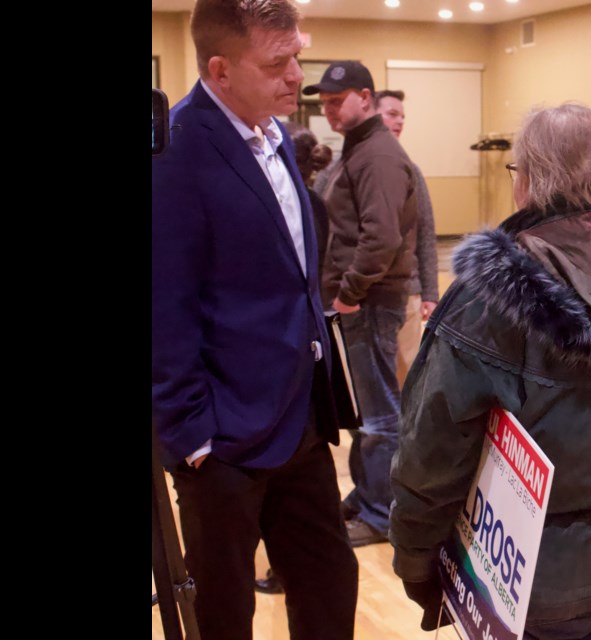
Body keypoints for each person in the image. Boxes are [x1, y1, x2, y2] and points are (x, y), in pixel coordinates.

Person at [390, 103, 591, 639]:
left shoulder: (493, 290)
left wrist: (414, 556)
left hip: (541, 579)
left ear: (526, 179)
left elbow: (433, 446)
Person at [151, 1, 358, 637]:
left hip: (299, 418)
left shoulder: (273, 136)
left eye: (297, 54)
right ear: (219, 69)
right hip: (223, 438)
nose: (298, 75)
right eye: (278, 63)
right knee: (225, 611)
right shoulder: (177, 153)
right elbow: (164, 301)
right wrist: (193, 435)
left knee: (329, 579)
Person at [304, 60, 420, 547]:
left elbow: (381, 238)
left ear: (366, 98)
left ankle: (380, 515)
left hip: (370, 302)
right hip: (358, 302)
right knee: (363, 412)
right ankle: (366, 496)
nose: (329, 110)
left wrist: (349, 294)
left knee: (378, 416)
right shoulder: (357, 150)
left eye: (339, 100)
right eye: (325, 102)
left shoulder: (377, 155)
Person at [254, 121, 335, 597]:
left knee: (322, 563)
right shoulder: (316, 205)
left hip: (293, 385)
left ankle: (281, 570)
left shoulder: (310, 208)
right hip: (274, 387)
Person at [373, 89, 440, 386]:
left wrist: (430, 293)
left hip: (407, 295)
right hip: (361, 297)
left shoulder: (411, 172)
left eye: (402, 116)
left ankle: (409, 434)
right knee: (371, 383)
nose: (399, 121)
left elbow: (426, 233)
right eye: (392, 114)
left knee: (409, 379)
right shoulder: (343, 170)